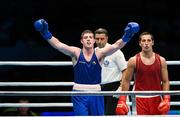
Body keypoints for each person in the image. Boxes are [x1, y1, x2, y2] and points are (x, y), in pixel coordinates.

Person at [34, 19, 139, 116]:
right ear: (81, 41)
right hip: (79, 93)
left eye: (90, 37)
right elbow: (59, 45)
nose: (88, 39)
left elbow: (117, 46)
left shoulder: (99, 53)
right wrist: (45, 33)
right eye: (85, 37)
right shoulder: (75, 52)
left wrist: (128, 35)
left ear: (94, 41)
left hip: (96, 93)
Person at [116, 32, 170, 115]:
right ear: (140, 43)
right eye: (144, 41)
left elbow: (165, 81)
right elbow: (126, 81)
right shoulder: (133, 60)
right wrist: (122, 100)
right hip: (139, 98)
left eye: (149, 40)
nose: (146, 43)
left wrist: (166, 98)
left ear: (152, 42)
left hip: (157, 97)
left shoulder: (161, 60)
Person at [94, 28, 131, 115]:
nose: (99, 41)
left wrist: (121, 88)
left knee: (111, 114)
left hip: (113, 88)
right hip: (98, 88)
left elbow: (125, 71)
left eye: (102, 39)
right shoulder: (93, 52)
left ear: (107, 38)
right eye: (97, 39)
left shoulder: (115, 51)